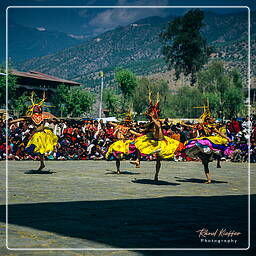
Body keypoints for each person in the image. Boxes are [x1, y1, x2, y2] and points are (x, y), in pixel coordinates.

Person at [133, 91, 184, 181]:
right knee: (138, 143)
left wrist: (152, 117)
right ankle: (138, 160)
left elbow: (157, 124)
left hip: (161, 141)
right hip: (152, 140)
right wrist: (142, 129)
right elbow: (145, 129)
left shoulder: (158, 122)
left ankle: (156, 175)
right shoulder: (150, 123)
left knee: (158, 160)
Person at [8, 92, 58, 171]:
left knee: (46, 146)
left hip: (43, 134)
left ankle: (52, 151)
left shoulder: (43, 115)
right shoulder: (31, 117)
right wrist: (12, 121)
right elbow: (22, 119)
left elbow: (50, 117)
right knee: (38, 150)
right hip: (37, 135)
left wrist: (54, 119)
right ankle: (42, 164)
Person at [182, 105, 232, 183]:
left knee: (220, 149)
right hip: (202, 142)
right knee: (205, 162)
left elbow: (220, 133)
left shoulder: (212, 127)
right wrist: (184, 124)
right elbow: (191, 126)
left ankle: (218, 162)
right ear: (208, 119)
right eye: (212, 118)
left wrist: (228, 138)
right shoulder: (201, 126)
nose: (213, 120)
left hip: (210, 142)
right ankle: (209, 178)